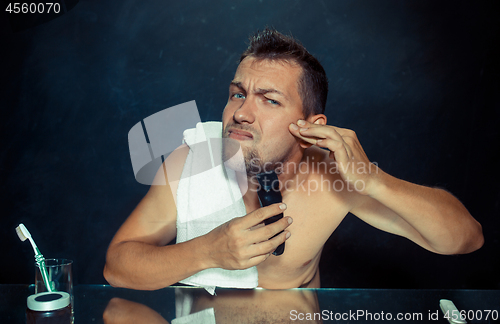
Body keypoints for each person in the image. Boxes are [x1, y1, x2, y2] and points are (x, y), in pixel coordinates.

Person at [103, 28, 483, 290]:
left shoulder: (334, 178)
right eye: (238, 94)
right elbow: (117, 267)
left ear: (310, 127)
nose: (241, 113)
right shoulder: (191, 159)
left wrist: (373, 180)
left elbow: (464, 239)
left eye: (269, 100)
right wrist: (206, 250)